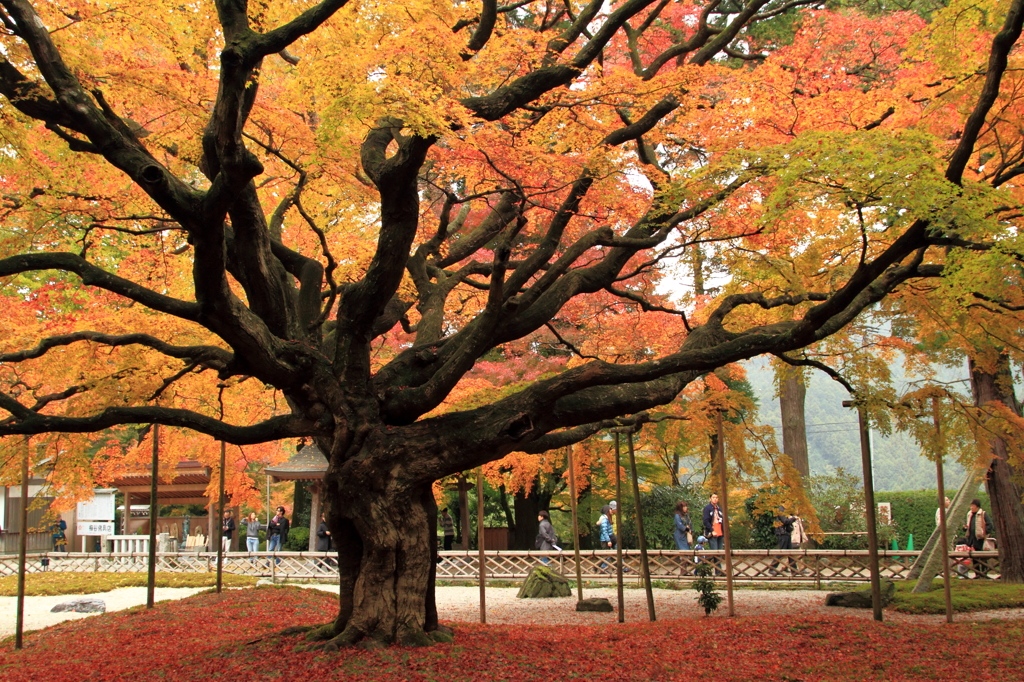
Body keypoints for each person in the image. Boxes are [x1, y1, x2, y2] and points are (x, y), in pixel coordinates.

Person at [964, 498, 994, 578]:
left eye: (973, 506)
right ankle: (977, 574)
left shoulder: (983, 514)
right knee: (974, 558)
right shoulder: (969, 514)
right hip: (972, 540)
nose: (971, 507)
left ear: (977, 506)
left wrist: (983, 533)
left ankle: (984, 574)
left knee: (983, 557)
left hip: (980, 540)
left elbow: (990, 525)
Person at [771, 507, 797, 576]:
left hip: (786, 533)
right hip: (782, 533)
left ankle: (794, 570)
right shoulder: (780, 509)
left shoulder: (785, 510)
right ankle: (772, 568)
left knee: (791, 552)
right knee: (781, 552)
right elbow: (785, 521)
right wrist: (793, 519)